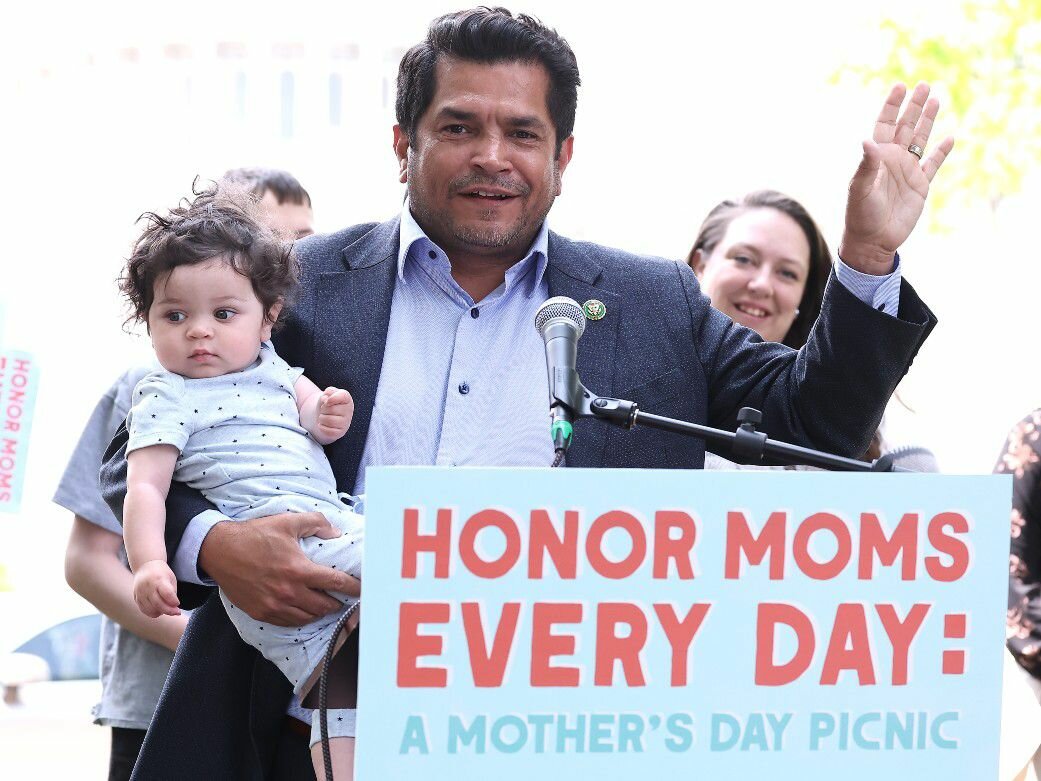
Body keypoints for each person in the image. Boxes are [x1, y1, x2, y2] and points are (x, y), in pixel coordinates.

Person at [101, 9, 951, 779]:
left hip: (559, 746)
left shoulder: (651, 300)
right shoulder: (301, 281)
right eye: (458, 126)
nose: (492, 155)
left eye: (522, 131)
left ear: (562, 157)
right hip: (297, 740)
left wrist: (868, 256)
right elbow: (139, 449)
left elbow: (818, 423)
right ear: (403, 143)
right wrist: (212, 547)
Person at [57, 167, 317, 781]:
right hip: (160, 698)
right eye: (271, 238)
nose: (289, 254)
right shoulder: (149, 391)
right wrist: (211, 641)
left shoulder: (284, 380)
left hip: (272, 696)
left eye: (302, 239)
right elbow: (87, 558)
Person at [118, 184, 362, 778]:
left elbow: (314, 414)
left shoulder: (274, 369)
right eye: (175, 316)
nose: (199, 332)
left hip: (326, 527)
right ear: (147, 320)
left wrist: (328, 411)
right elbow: (145, 487)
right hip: (278, 555)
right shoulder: (164, 392)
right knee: (422, 569)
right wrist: (151, 562)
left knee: (336, 698)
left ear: (267, 319)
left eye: (223, 314)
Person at [686, 189, 939, 471]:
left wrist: (871, 254)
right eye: (744, 259)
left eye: (787, 273)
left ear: (803, 299)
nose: (762, 285)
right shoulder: (644, 378)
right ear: (700, 265)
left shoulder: (852, 430)